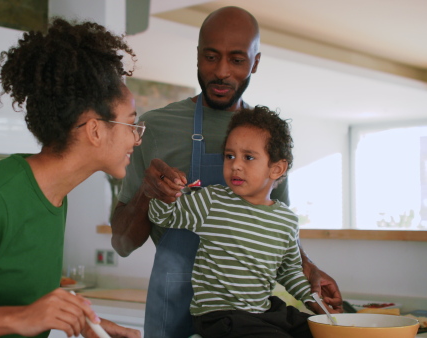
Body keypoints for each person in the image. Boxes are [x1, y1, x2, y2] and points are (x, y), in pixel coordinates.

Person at [110, 6, 342, 337]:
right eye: (210, 57)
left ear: (255, 62)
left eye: (236, 59)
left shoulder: (270, 140)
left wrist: (309, 270)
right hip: (172, 300)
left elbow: (274, 226)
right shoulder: (156, 127)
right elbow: (122, 244)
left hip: (247, 312)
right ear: (197, 56)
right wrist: (148, 194)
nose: (221, 71)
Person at [0, 17, 142, 338]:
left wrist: (89, 323)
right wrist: (21, 318)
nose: (137, 139)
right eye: (131, 125)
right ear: (96, 130)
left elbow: (19, 295)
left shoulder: (55, 197)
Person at [149, 106, 318, 338]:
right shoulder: (212, 201)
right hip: (219, 315)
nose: (236, 165)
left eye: (248, 157)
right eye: (230, 156)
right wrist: (166, 194)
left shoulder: (286, 220)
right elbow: (162, 216)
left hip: (262, 311)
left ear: (276, 168)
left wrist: (312, 300)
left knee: (319, 329)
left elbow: (289, 270)